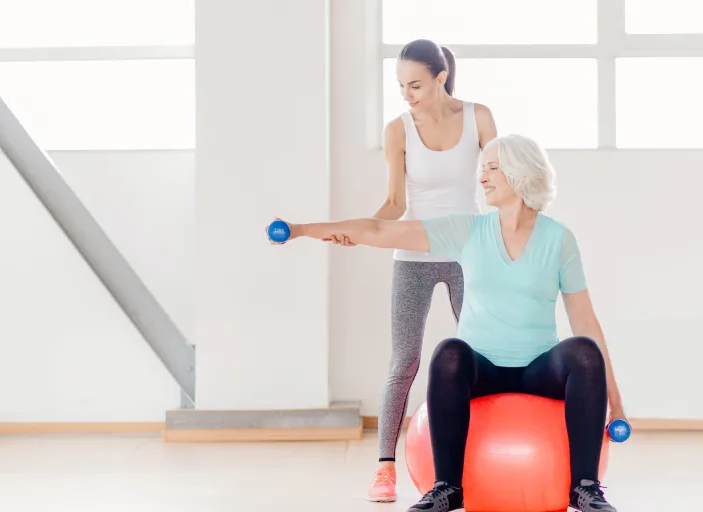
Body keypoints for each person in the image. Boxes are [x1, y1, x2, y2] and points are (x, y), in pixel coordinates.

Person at [266, 133, 626, 512]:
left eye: (492, 167)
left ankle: (585, 487)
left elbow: (586, 322)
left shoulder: (558, 239)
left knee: (583, 352)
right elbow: (381, 231)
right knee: (449, 352)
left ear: (519, 172)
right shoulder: (468, 230)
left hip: (539, 369)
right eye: (481, 168)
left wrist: (616, 406)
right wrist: (303, 229)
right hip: (481, 367)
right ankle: (447, 487)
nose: (482, 176)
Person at [329, 38, 497, 503]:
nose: (407, 94)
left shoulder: (479, 118)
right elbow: (396, 203)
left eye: (416, 85)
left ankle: (480, 456)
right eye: (401, 86)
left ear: (441, 78)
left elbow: (499, 181)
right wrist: (361, 229)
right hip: (413, 257)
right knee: (403, 362)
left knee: (481, 357)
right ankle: (385, 469)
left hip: (468, 252)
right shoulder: (398, 129)